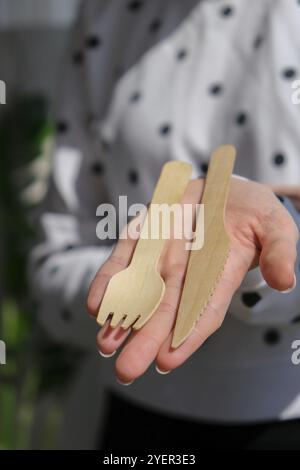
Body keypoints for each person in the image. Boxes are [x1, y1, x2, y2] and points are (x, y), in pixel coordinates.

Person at [30, 0, 300, 449]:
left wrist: (261, 254)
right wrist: (139, 273)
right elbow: (56, 256)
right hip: (131, 423)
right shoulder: (104, 16)